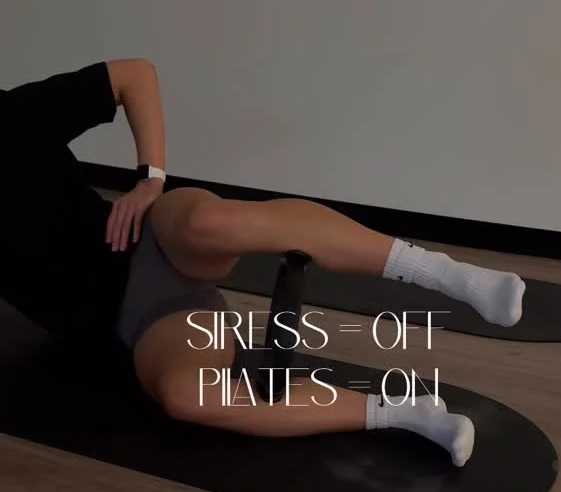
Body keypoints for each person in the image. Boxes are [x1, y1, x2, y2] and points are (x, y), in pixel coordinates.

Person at [0, 59, 526, 467]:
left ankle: (450, 275)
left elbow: (133, 75)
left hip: (153, 241)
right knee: (186, 398)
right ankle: (406, 415)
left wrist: (150, 179)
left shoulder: (13, 115)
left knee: (212, 222)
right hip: (146, 324)